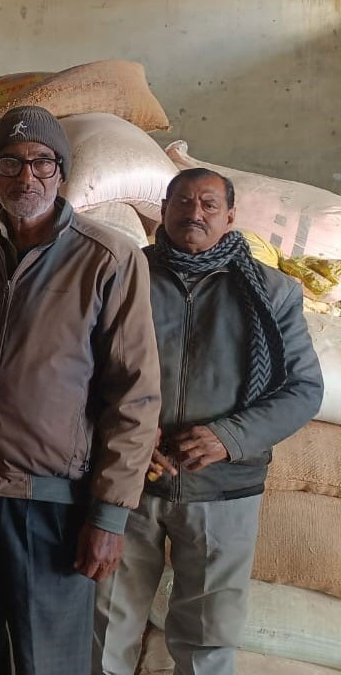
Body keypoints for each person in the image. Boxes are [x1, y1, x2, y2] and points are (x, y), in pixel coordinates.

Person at [0, 105, 162, 675]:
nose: (27, 176)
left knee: (50, 662)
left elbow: (134, 397)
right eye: (11, 162)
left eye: (42, 163)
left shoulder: (108, 258)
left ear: (61, 172)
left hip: (54, 503)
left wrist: (110, 515)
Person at [92, 168, 324, 675]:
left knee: (208, 640)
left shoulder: (272, 291)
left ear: (230, 217)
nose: (194, 213)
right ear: (163, 209)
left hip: (223, 489)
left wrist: (227, 437)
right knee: (107, 626)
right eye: (182, 202)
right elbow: (84, 371)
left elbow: (304, 389)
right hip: (132, 482)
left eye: (209, 204)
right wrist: (127, 436)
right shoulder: (125, 276)